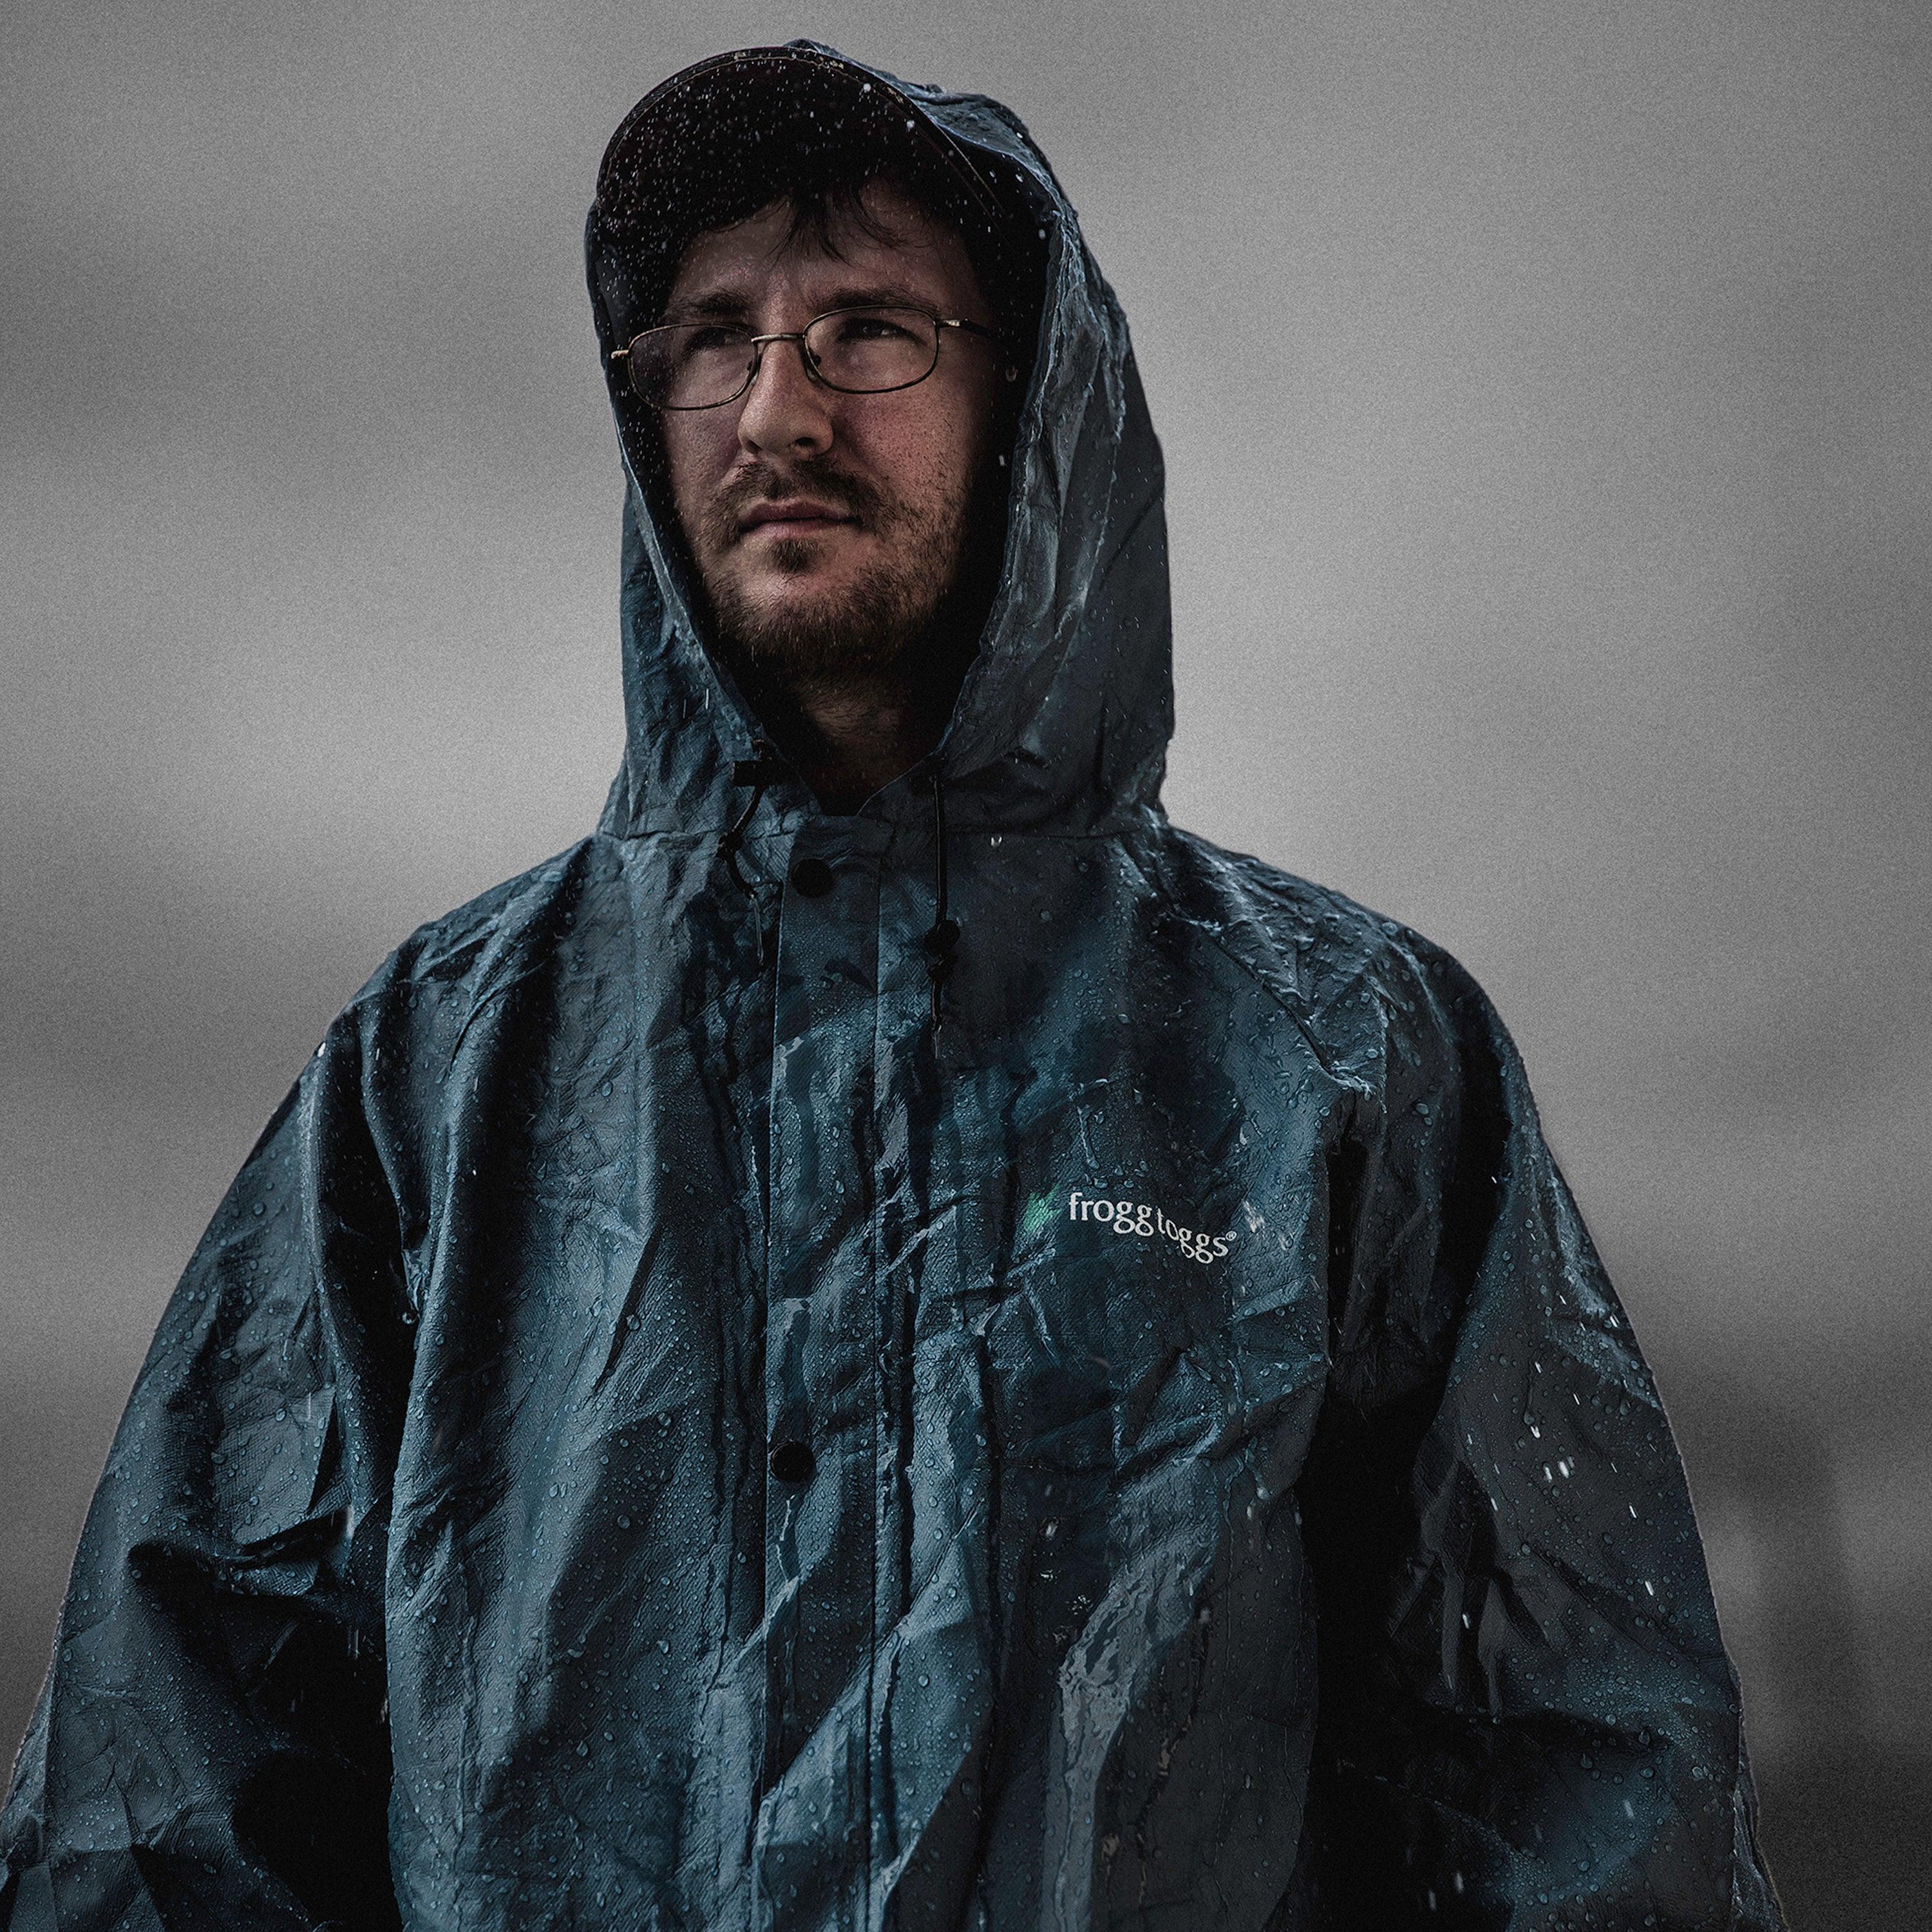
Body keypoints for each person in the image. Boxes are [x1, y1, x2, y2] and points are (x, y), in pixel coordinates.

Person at [1, 40, 1784, 1932]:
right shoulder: (432, 1078)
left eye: (868, 329)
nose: (776, 409)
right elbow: (169, 1806)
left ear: (1031, 402)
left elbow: (1573, 1796)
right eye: (713, 338)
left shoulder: (1349, 1055)